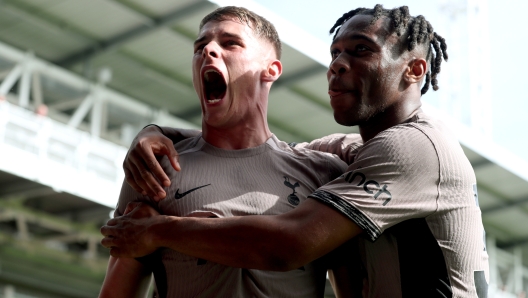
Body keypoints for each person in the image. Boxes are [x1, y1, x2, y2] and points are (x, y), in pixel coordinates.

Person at [102, 4, 490, 297]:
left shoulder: (410, 149)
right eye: (336, 52)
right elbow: (263, 149)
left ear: (415, 70)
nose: (338, 64)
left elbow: (291, 244)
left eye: (360, 50)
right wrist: (154, 132)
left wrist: (158, 231)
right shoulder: (156, 168)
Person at [98, 6, 350, 298]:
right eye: (200, 46)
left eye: (230, 43)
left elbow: (352, 288)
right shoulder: (155, 167)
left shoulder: (324, 174)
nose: (208, 51)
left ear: (271, 70)